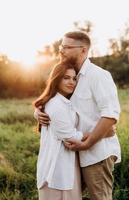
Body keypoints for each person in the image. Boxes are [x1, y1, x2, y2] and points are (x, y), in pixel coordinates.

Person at [34, 31, 121, 200]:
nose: (61, 51)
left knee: (100, 198)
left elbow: (110, 115)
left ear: (83, 50)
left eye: (66, 47)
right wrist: (38, 111)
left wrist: (87, 143)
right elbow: (55, 101)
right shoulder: (71, 76)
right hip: (73, 154)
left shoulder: (98, 76)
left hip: (97, 152)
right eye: (61, 47)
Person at [33, 61, 86, 200]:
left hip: (65, 166)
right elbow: (71, 138)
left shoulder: (65, 101)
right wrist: (100, 133)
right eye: (66, 77)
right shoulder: (56, 104)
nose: (72, 82)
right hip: (56, 170)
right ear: (56, 79)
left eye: (74, 78)